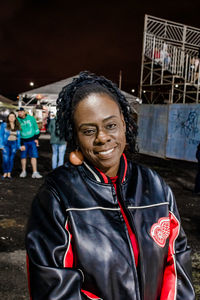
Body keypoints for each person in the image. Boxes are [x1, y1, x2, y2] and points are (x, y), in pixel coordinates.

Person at [26, 71, 195, 300]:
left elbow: (176, 263)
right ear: (75, 136)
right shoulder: (56, 196)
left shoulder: (155, 186)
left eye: (111, 125)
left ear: (125, 125)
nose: (102, 137)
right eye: (88, 130)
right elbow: (53, 289)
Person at [17, 107, 42, 178]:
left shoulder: (31, 118)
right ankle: (23, 171)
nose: (19, 113)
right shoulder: (17, 120)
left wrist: (36, 138)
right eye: (18, 112)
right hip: (23, 141)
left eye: (21, 111)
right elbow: (17, 132)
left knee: (34, 156)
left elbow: (36, 129)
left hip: (32, 140)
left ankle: (35, 172)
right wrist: (20, 143)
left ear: (24, 112)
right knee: (23, 157)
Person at [0, 112, 21, 179]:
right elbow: (1, 135)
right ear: (8, 118)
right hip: (6, 144)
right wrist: (1, 145)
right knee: (6, 159)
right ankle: (5, 172)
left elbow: (19, 137)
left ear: (15, 118)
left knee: (11, 159)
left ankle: (9, 173)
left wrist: (19, 145)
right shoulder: (4, 125)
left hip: (14, 144)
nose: (11, 118)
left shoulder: (17, 126)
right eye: (10, 117)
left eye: (13, 117)